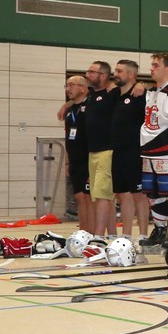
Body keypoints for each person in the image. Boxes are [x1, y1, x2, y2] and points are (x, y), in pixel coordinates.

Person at [140, 53, 168, 246]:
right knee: (153, 194)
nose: (151, 68)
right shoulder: (152, 92)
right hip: (149, 150)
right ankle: (160, 230)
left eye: (156, 65)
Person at [109, 60, 149, 243]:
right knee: (122, 194)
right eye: (115, 71)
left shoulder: (142, 94)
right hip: (118, 152)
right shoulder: (115, 95)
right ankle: (126, 236)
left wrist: (142, 84)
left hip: (135, 152)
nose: (115, 74)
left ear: (131, 74)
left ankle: (143, 236)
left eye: (119, 71)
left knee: (139, 195)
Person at [83, 60, 118, 237]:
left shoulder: (113, 93)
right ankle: (111, 234)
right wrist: (66, 105)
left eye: (92, 72)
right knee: (98, 195)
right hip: (93, 151)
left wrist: (139, 85)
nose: (87, 75)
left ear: (103, 76)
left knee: (103, 194)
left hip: (107, 150)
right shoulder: (90, 95)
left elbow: (133, 87)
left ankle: (98, 236)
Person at [62, 75, 93, 235]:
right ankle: (83, 233)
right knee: (80, 198)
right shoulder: (70, 110)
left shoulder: (91, 106)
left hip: (88, 159)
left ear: (82, 87)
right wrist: (68, 162)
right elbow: (68, 136)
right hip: (74, 160)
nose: (68, 89)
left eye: (71, 85)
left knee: (89, 198)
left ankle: (93, 233)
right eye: (66, 86)